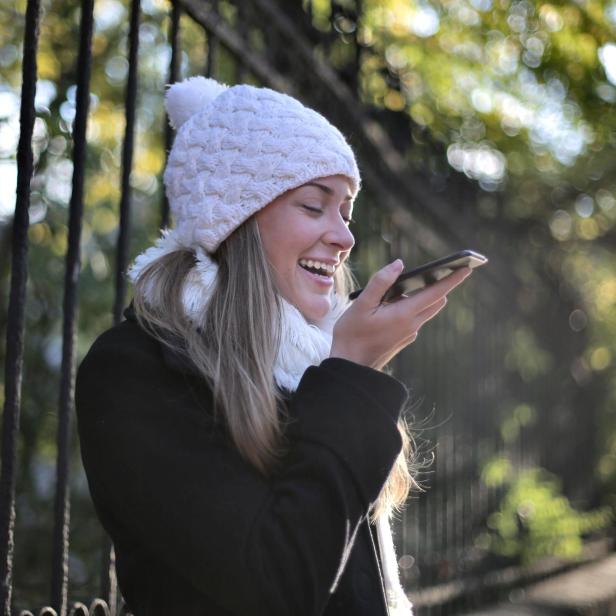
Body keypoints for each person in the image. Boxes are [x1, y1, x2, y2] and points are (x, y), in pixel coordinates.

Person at [75, 77, 470, 616]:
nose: (344, 237)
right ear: (232, 219)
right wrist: (351, 369)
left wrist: (345, 369)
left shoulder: (315, 359)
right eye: (313, 206)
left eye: (345, 212)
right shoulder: (137, 369)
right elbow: (276, 586)